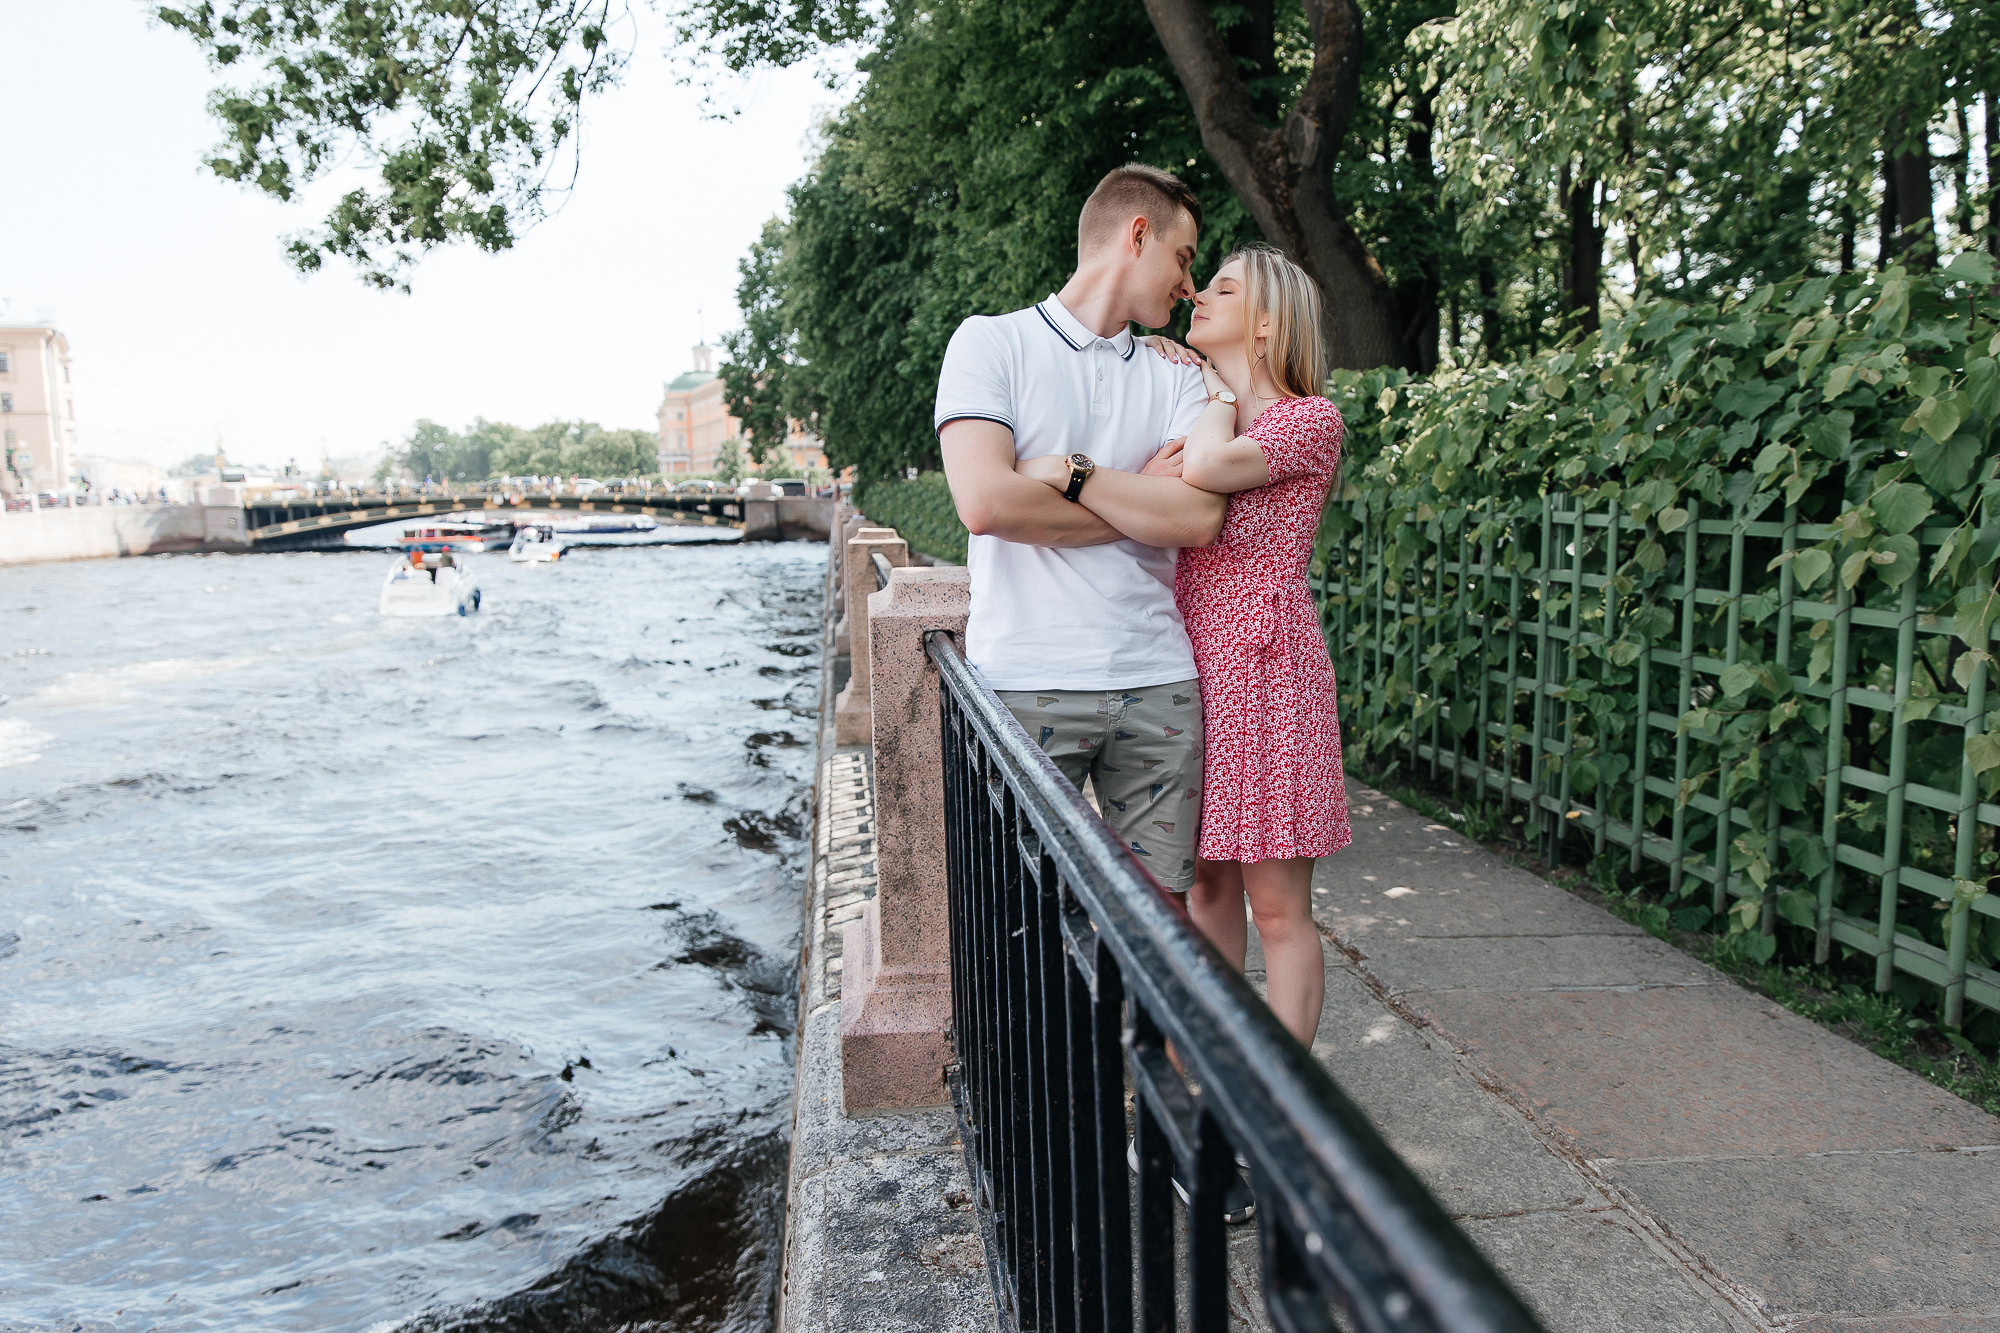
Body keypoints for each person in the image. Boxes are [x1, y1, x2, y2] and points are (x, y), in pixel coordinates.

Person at [1020, 245, 1351, 1053]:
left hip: (1269, 674)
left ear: (1268, 323)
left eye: (1225, 288)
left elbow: (1203, 466)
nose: (1198, 293)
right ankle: (1204, 1078)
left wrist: (1203, 390)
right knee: (1205, 885)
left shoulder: (1307, 418)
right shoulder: (1194, 398)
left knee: (1275, 906)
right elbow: (1151, 499)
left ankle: (1279, 1108)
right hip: (1192, 665)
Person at [936, 163, 1223, 895]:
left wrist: (1072, 473)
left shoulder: (1180, 375)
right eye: (1184, 258)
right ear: (1137, 235)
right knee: (1019, 911)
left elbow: (1195, 516)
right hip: (1025, 679)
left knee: (1162, 925)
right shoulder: (989, 344)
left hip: (1159, 677)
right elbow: (987, 503)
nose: (1190, 286)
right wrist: (1139, 501)